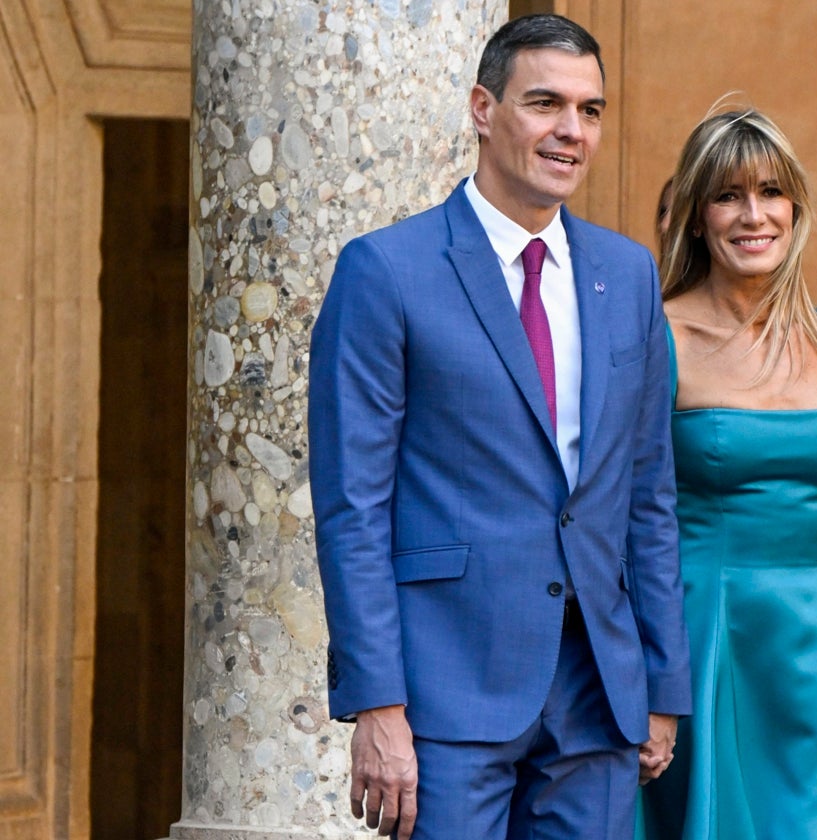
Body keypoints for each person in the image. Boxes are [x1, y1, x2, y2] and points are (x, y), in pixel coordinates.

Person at [308, 14, 691, 840]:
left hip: (598, 689)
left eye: (590, 111)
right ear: (483, 108)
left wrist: (661, 683)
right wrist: (377, 702)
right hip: (447, 689)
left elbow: (648, 493)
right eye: (545, 103)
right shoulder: (385, 271)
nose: (571, 131)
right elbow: (352, 508)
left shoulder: (627, 274)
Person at [638, 108, 817, 839]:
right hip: (702, 641)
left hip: (809, 654)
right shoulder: (659, 336)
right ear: (695, 215)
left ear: (795, 208)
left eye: (771, 192)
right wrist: (647, 681)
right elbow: (624, 523)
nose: (754, 215)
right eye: (728, 195)